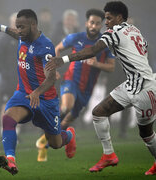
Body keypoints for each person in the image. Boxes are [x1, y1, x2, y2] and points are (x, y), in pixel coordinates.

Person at [45, 1, 156, 175]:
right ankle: (109, 155)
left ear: (119, 18)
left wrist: (63, 59)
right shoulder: (135, 30)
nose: (106, 23)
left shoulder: (114, 32)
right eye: (105, 19)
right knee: (98, 112)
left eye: (109, 18)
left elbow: (91, 51)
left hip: (144, 90)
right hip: (132, 84)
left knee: (146, 134)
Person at [0, 9, 76, 175]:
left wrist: (37, 92)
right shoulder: (22, 36)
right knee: (8, 119)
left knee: (55, 143)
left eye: (22, 27)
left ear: (33, 25)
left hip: (46, 100)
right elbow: (14, 33)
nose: (19, 31)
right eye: (17, 27)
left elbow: (51, 78)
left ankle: (69, 136)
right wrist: (0, 28)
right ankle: (11, 160)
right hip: (24, 94)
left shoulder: (45, 47)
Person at [36, 9, 115, 162]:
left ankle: (49, 140)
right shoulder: (75, 37)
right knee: (66, 107)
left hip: (87, 89)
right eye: (92, 22)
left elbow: (111, 67)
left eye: (97, 23)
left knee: (65, 122)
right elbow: (57, 49)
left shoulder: (104, 43)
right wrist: (54, 69)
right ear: (86, 23)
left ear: (101, 26)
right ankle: (44, 132)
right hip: (70, 80)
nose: (94, 26)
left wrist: (97, 63)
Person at [0, 12, 21, 137]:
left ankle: (16, 133)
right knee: (5, 106)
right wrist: (5, 73)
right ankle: (3, 132)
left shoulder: (25, 39)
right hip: (8, 80)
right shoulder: (4, 40)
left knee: (19, 106)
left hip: (21, 79)